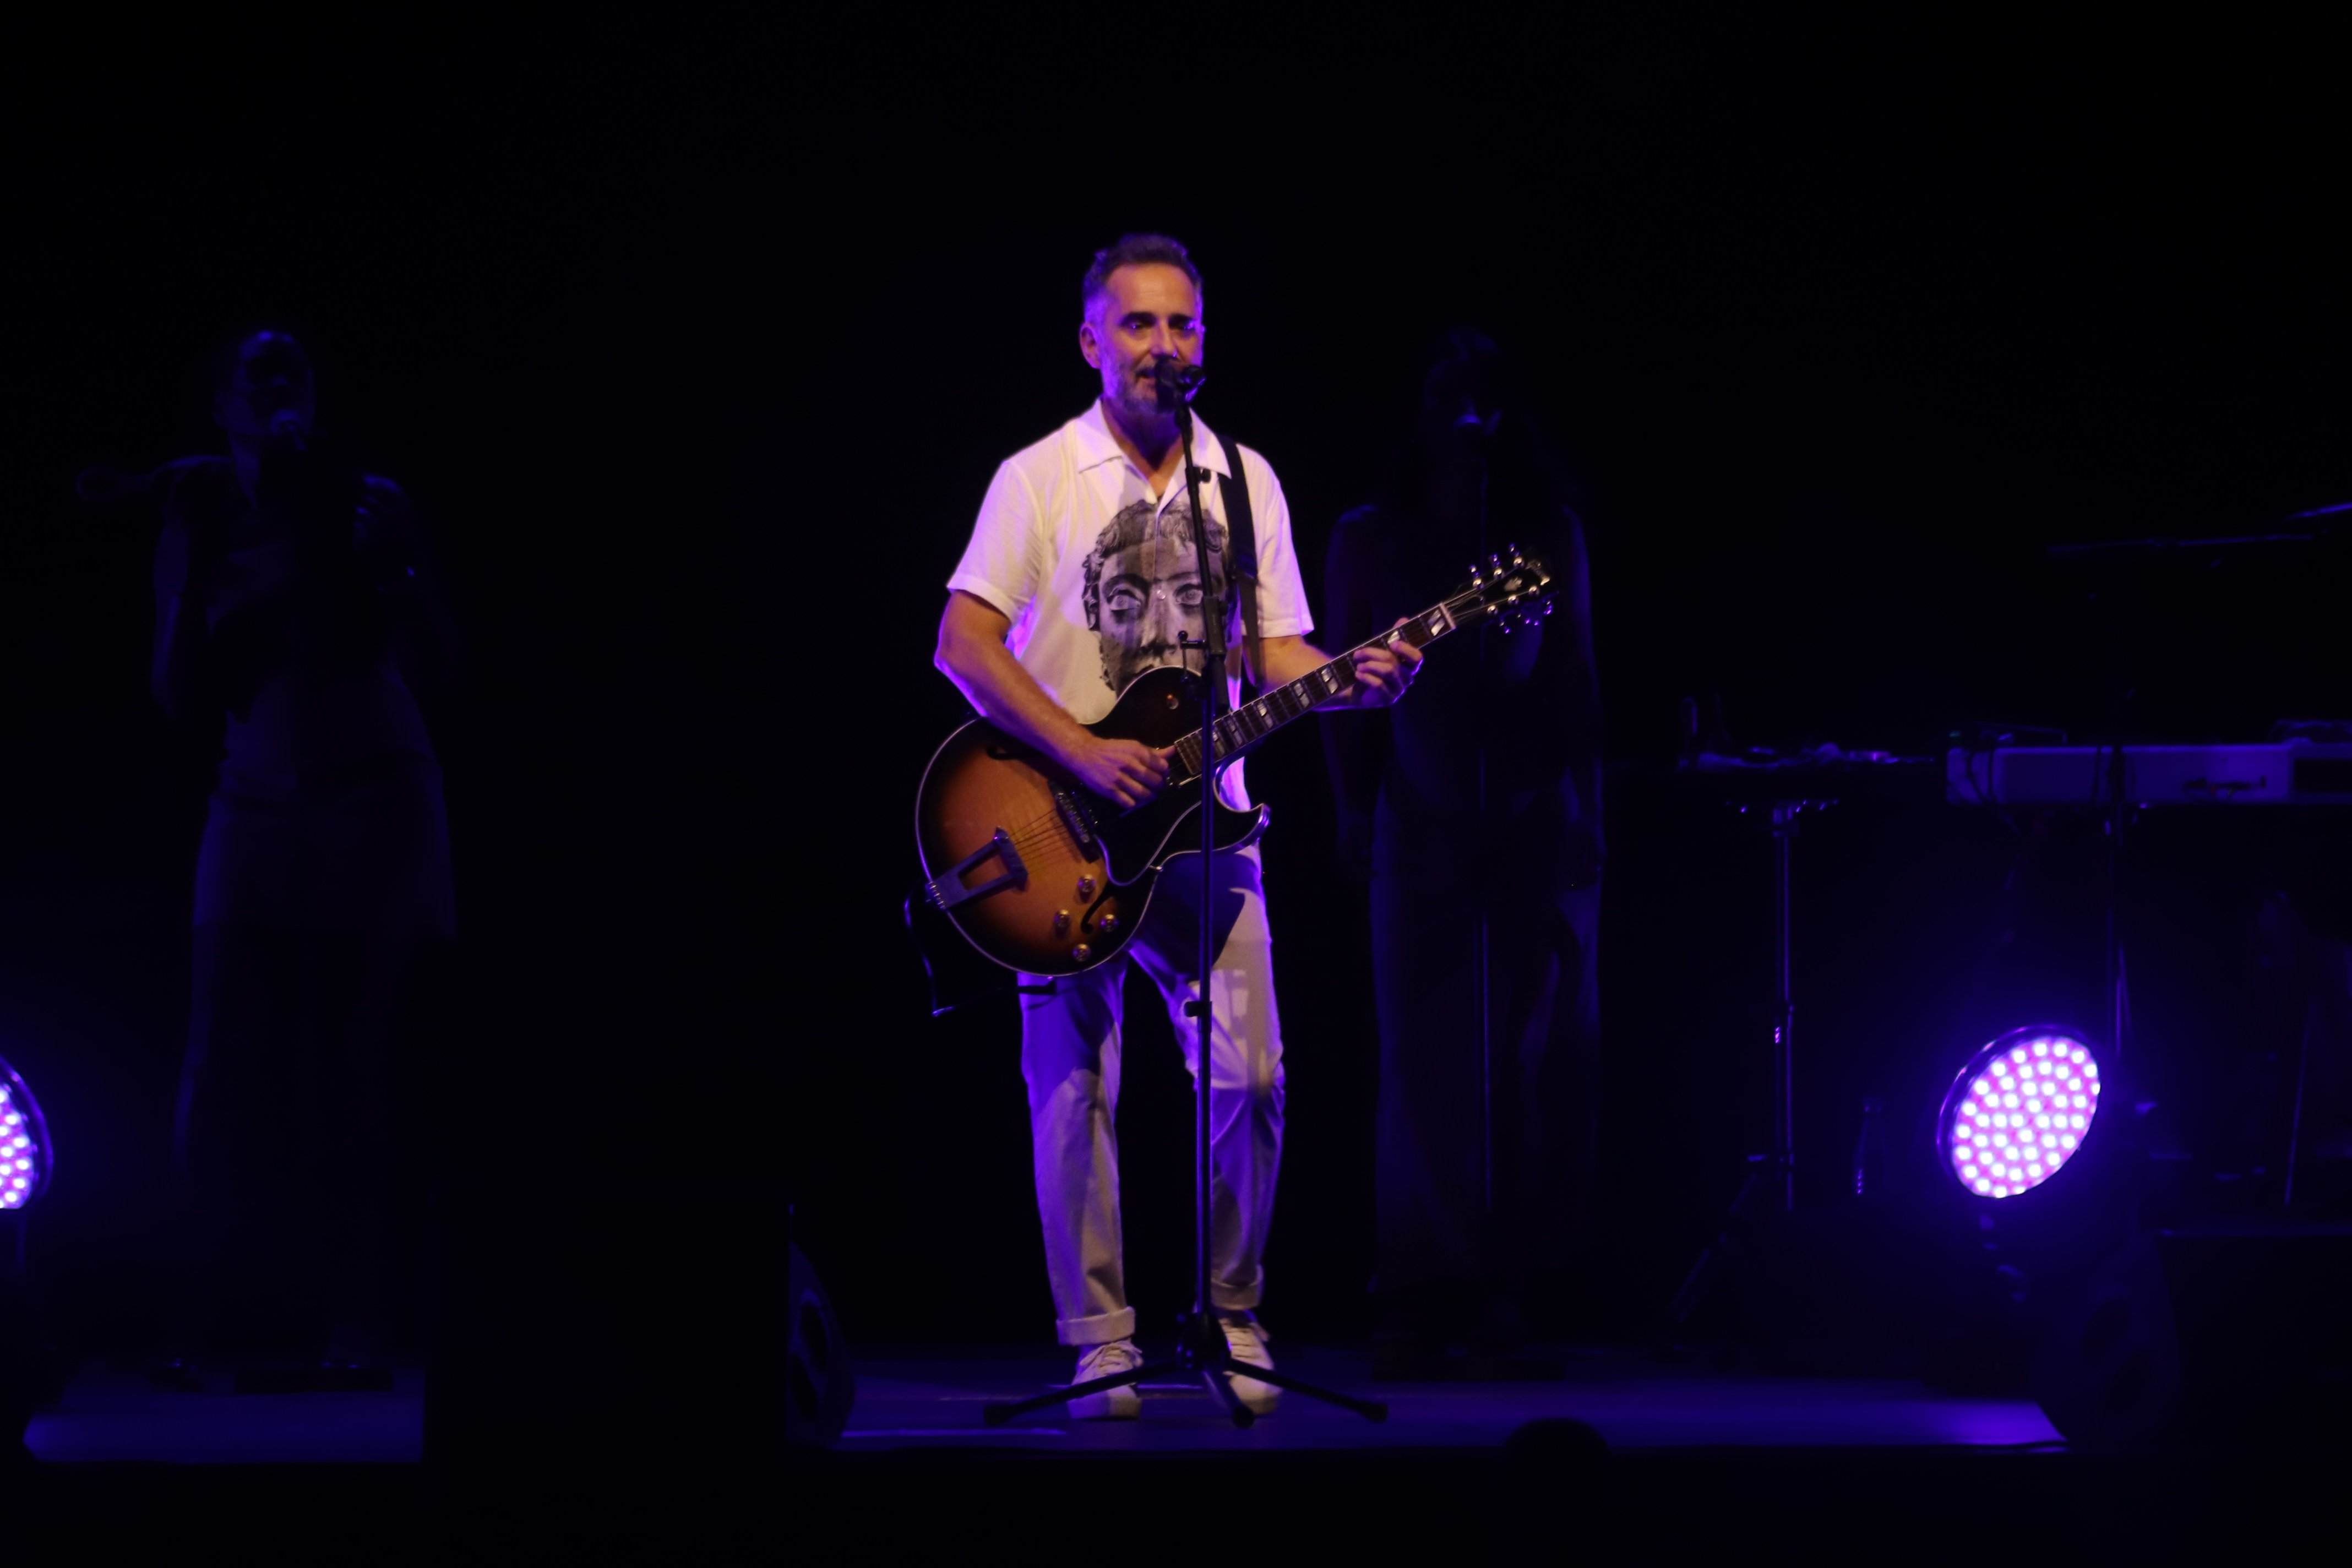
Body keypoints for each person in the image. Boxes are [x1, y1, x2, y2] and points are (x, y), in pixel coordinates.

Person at [934, 233, 1420, 1417]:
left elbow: (1272, 652)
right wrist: (1082, 748)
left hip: (1214, 830)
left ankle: (1234, 1310)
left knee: (1251, 1078)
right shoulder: (1039, 475)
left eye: (1184, 325)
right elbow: (962, 641)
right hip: (1062, 824)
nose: (1165, 346)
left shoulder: (1243, 480)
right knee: (1071, 1089)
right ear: (1094, 342)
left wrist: (1354, 673)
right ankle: (1099, 1334)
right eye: (1140, 325)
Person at [143, 329, 459, 1386]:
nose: (282, 388)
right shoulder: (203, 511)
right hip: (256, 797)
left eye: (299, 373)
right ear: (223, 401)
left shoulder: (368, 497)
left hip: (376, 794)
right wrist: (195, 579)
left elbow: (443, 663)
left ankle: (363, 1322)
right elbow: (176, 697)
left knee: (363, 1065)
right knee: (221, 1064)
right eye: (258, 374)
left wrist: (395, 570)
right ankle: (207, 1317)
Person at [1321, 329, 1603, 1378]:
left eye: (1491, 401)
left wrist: (1584, 815)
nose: (1473, 423)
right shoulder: (1371, 537)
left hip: (1530, 812)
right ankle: (1416, 1279)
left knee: (1528, 1046)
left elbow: (1577, 676)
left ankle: (1511, 1279)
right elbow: (1338, 686)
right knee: (1419, 1047)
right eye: (1453, 400)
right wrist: (1353, 807)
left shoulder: (1545, 531)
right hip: (1417, 812)